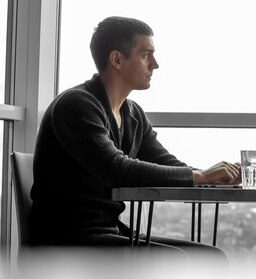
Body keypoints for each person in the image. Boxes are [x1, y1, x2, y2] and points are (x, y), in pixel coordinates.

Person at [28, 16, 239, 260]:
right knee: (179, 262)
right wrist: (199, 176)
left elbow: (165, 163)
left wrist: (214, 177)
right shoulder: (76, 105)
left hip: (109, 234)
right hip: (65, 242)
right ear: (117, 59)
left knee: (212, 258)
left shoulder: (132, 114)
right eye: (146, 55)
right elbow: (117, 169)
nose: (155, 64)